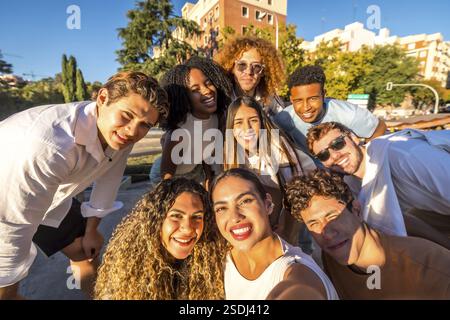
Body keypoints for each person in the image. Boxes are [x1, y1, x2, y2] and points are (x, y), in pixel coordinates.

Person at [0, 71, 169, 300]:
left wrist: (91, 230)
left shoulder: (120, 134)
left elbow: (108, 182)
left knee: (84, 250)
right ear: (102, 98)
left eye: (145, 125)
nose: (132, 131)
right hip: (7, 199)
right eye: (127, 115)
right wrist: (8, 288)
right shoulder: (50, 146)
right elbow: (11, 229)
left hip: (50, 196)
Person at [285, 170, 450, 299]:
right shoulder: (334, 257)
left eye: (333, 217)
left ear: (356, 210)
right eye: (313, 223)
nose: (327, 233)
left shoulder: (427, 265)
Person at [306, 122, 450, 249]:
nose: (335, 156)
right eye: (324, 155)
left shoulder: (404, 155)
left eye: (338, 144)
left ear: (353, 138)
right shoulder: (353, 185)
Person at [210, 168, 338, 300]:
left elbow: (302, 289)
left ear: (268, 204)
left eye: (245, 201)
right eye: (222, 208)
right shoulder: (220, 259)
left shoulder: (297, 268)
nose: (234, 217)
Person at [94, 178, 226, 300]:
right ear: (155, 220)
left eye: (197, 217)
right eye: (176, 216)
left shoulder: (212, 258)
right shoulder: (126, 270)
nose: (188, 228)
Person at [224, 96, 316, 248]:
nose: (247, 129)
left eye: (253, 120)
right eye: (239, 122)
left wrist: (287, 229)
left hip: (286, 219)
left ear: (261, 122)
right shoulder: (229, 153)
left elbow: (298, 191)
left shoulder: (279, 148)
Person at [273, 65, 387, 152]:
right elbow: (265, 139)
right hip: (311, 174)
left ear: (323, 95)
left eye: (313, 99)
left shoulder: (347, 113)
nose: (306, 107)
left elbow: (379, 127)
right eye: (298, 100)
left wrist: (368, 158)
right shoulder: (284, 118)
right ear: (291, 99)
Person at [160, 56, 233, 186]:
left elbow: (204, 152)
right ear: (184, 98)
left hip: (195, 170)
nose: (207, 91)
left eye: (208, 83)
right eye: (195, 90)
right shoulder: (179, 132)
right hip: (172, 177)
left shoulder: (217, 118)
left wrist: (208, 180)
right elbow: (166, 175)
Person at [215, 36, 286, 118]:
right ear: (231, 68)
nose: (249, 72)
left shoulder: (268, 96)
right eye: (242, 65)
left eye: (256, 67)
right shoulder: (221, 96)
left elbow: (286, 121)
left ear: (263, 71)